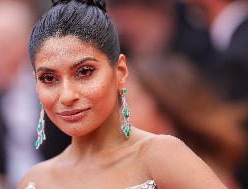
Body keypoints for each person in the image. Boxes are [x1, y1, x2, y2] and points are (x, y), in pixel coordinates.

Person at [18, 0, 227, 188]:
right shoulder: (35, 181)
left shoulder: (159, 155)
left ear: (120, 72)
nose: (66, 95)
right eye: (48, 78)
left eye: (84, 72)